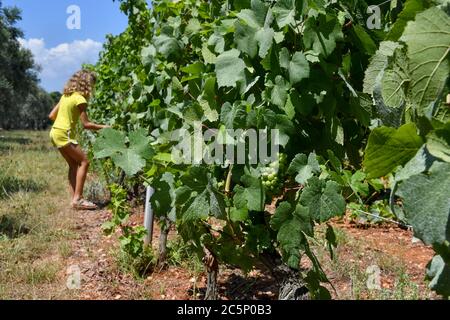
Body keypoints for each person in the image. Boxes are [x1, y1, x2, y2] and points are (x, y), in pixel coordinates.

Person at [48, 69, 109, 210]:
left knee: (74, 165)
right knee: (85, 162)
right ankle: (78, 199)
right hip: (64, 133)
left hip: (55, 132)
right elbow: (87, 125)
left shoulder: (66, 96)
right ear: (87, 84)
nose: (93, 88)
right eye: (92, 85)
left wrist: (65, 118)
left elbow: (51, 115)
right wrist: (106, 127)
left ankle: (74, 199)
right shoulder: (80, 99)